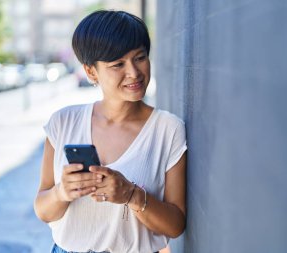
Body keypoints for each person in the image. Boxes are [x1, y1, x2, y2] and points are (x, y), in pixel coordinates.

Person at [34, 10, 187, 253]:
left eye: (140, 57)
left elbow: (175, 225)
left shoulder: (168, 129)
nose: (134, 73)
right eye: (118, 64)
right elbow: (43, 210)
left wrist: (132, 195)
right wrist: (61, 192)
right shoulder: (63, 122)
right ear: (91, 71)